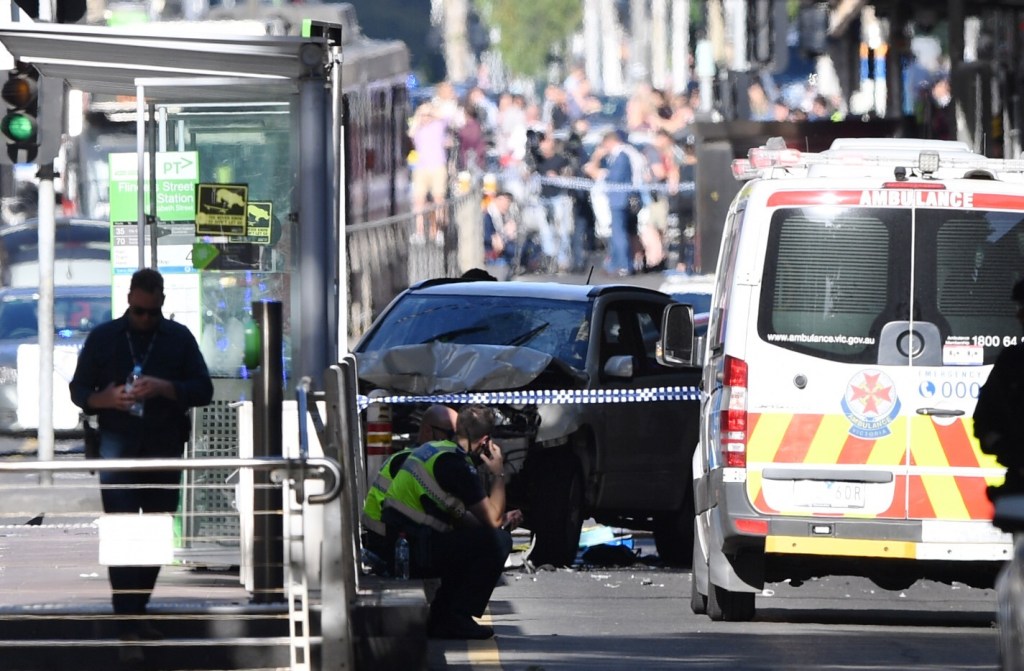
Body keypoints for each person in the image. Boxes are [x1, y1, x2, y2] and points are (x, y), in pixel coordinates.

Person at [68, 268, 213, 648]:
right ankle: (127, 620)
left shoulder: (178, 338)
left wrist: (166, 388)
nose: (145, 319)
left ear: (162, 302)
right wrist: (105, 399)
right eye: (139, 312)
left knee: (155, 531)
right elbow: (78, 388)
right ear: (129, 300)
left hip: (163, 444)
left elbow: (203, 389)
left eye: (151, 313)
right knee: (122, 532)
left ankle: (139, 609)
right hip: (117, 445)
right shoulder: (104, 338)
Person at [381, 405, 523, 640]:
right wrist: (498, 473)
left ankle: (443, 616)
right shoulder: (457, 465)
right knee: (498, 542)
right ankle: (455, 616)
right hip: (412, 552)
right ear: (486, 440)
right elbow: (493, 520)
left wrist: (498, 521)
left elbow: (463, 519)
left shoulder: (436, 452)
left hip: (402, 546)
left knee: (481, 540)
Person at [361, 405, 458, 564]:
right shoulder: (414, 462)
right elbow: (446, 511)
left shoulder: (411, 457)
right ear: (428, 430)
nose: (454, 441)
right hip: (391, 545)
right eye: (450, 434)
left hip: (391, 538)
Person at [974, 278, 1024, 495]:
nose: (1018, 314)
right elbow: (985, 418)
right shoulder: (1013, 361)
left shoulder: (1013, 361)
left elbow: (985, 421)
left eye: (1022, 308)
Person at [584, 130, 634, 276]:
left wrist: (603, 174)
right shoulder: (614, 157)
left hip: (619, 200)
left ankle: (624, 264)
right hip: (613, 199)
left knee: (619, 234)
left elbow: (616, 178)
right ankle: (615, 264)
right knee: (615, 233)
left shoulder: (622, 156)